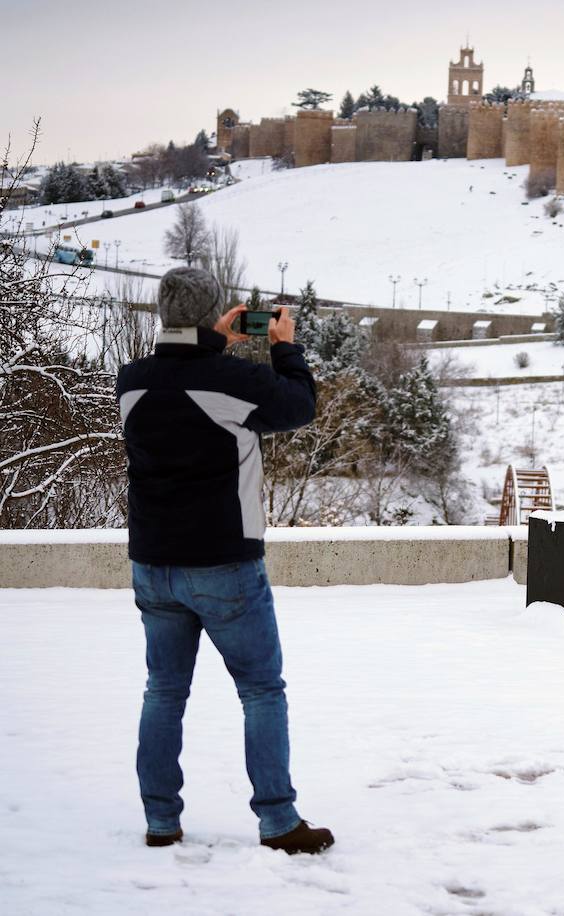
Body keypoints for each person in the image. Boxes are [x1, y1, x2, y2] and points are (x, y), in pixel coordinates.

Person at [115, 267, 333, 854]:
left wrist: (212, 339)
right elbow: (297, 407)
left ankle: (161, 821)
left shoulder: (131, 380)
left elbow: (184, 383)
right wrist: (285, 349)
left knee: (163, 691)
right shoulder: (231, 380)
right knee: (261, 690)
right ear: (215, 312)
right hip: (224, 565)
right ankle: (278, 821)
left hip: (153, 564)